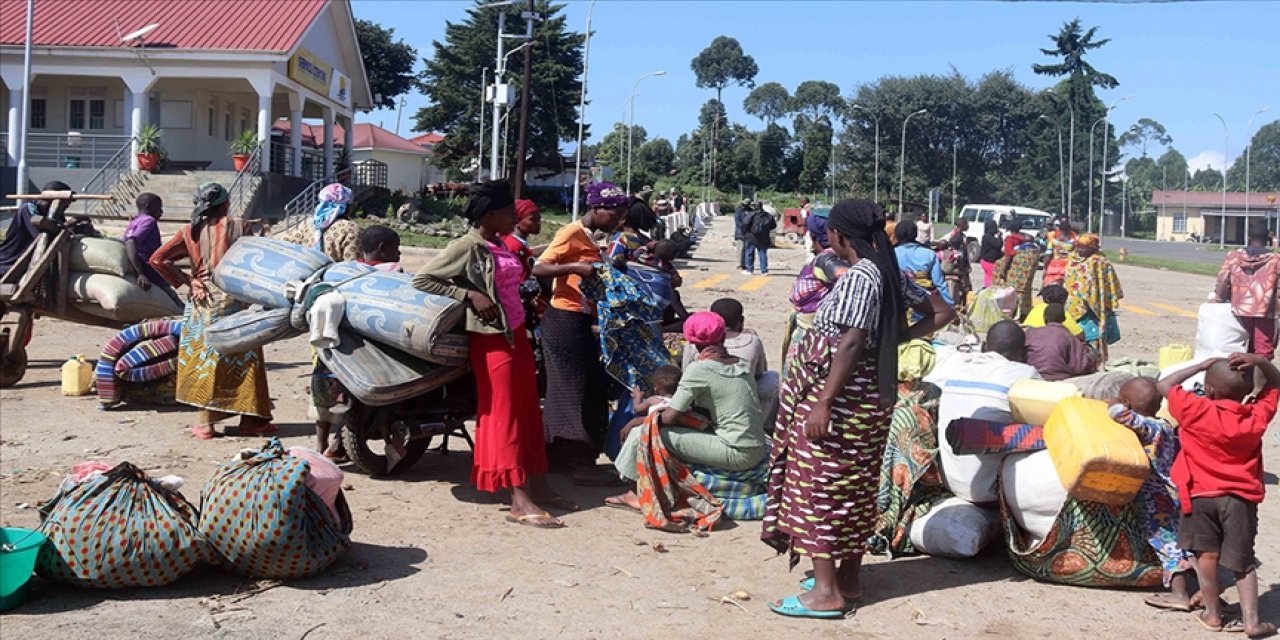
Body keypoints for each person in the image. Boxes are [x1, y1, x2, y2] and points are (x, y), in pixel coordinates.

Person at [762, 199, 954, 619]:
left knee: (819, 487)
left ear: (839, 235)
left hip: (839, 398)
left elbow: (848, 341)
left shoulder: (859, 277)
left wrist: (824, 402)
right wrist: (890, 341)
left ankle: (826, 593)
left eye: (829, 232)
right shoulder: (889, 274)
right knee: (854, 487)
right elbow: (943, 311)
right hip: (870, 397)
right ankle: (848, 579)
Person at [414, 179, 570, 528]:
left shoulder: (500, 243)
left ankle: (539, 485)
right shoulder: (467, 246)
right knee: (504, 412)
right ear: (488, 215)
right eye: (506, 213)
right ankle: (518, 498)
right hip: (491, 341)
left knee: (528, 409)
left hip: (516, 336)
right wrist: (469, 296)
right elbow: (423, 279)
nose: (513, 219)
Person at [1159, 354, 1279, 637]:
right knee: (1243, 562)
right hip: (1240, 499)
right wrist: (1259, 361)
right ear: (1246, 392)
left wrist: (1200, 366)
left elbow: (1164, 384)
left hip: (1200, 495)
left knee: (1206, 557)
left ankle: (1213, 615)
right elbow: (1276, 382)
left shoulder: (1194, 409)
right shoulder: (1255, 415)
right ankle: (1252, 622)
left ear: (1209, 389)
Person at [607, 311, 768, 509]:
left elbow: (668, 417)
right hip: (755, 445)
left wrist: (634, 421)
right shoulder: (741, 364)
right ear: (723, 336)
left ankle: (635, 492)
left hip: (735, 450)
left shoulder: (699, 370)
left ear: (691, 341)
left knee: (643, 433)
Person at [149, 182, 273, 440]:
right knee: (245, 357)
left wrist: (187, 280)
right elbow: (260, 258)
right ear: (225, 204)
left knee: (204, 359)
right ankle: (251, 420)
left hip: (201, 300)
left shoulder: (189, 231)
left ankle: (206, 424)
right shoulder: (240, 225)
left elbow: (158, 259)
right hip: (235, 299)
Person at [531, 181, 627, 486]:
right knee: (576, 390)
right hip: (565, 320)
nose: (617, 221)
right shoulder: (571, 233)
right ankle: (580, 463)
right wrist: (575, 266)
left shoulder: (594, 237)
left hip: (581, 320)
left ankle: (559, 456)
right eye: (613, 215)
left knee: (583, 388)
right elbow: (539, 268)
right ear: (596, 209)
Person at [1106, 377, 1195, 614]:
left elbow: (1118, 414)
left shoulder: (1147, 426)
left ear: (1127, 402)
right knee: (1182, 542)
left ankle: (1180, 595)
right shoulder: (1165, 424)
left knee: (1168, 544)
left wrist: (1113, 403)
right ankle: (1204, 589)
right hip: (1170, 492)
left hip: (1154, 497)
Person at [927, 320, 1040, 504]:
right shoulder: (1025, 374)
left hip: (950, 483)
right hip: (989, 492)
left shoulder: (957, 371)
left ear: (985, 347)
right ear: (1025, 353)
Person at [1214, 221, 1280, 360]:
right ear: (1267, 239)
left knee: (1240, 348)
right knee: (1263, 353)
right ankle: (1259, 380)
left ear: (1248, 237)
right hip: (1265, 312)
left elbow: (1223, 280)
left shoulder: (1233, 256)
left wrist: (1220, 298)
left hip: (1238, 311)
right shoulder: (1275, 260)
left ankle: (1243, 379)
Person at [1064, 234, 1124, 356]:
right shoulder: (1072, 260)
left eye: (1083, 247)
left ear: (1093, 248)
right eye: (1078, 246)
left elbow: (1108, 283)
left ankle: (1096, 361)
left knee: (1094, 337)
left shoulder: (1100, 262)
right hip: (1073, 305)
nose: (1079, 250)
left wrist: (1103, 302)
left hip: (1094, 306)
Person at [0, 180, 75, 273]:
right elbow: (41, 236)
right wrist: (68, 224)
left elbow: (62, 231)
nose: (67, 206)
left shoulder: (57, 215)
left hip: (27, 264)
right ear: (53, 200)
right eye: (66, 202)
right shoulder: (28, 209)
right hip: (9, 263)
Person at [123, 193, 181, 307]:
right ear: (148, 207)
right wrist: (141, 274)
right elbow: (131, 242)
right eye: (159, 208)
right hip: (149, 270)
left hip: (141, 266)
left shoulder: (135, 221)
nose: (161, 212)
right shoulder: (149, 221)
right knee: (174, 304)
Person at [277, 183, 359, 262]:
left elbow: (282, 244)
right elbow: (354, 267)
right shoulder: (351, 229)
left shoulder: (307, 224)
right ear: (348, 206)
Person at [1025, 303, 1098, 381]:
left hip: (1033, 378)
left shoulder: (1031, 334)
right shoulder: (1069, 337)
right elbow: (1080, 366)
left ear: (1045, 318)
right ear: (1064, 318)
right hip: (1060, 380)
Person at [894, 220, 953, 306]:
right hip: (925, 303)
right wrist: (950, 305)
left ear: (897, 235)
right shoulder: (929, 254)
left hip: (899, 303)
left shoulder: (891, 254)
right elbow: (940, 284)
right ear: (916, 234)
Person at [995, 225, 1044, 321]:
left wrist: (1003, 270)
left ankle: (1012, 313)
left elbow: (1009, 255)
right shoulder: (1033, 246)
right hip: (1027, 275)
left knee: (1012, 292)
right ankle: (1024, 313)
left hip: (1016, 274)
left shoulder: (1014, 244)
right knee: (1025, 291)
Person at [503, 199, 542, 279]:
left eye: (539, 219)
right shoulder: (514, 246)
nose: (538, 223)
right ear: (517, 221)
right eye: (532, 219)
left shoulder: (519, 242)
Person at [937, 232, 972, 314]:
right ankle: (960, 309)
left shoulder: (943, 253)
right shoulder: (960, 253)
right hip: (957, 277)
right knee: (963, 292)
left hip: (945, 277)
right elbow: (964, 266)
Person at [742, 202, 775, 276]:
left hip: (751, 237)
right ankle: (764, 271)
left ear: (754, 207)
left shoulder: (751, 214)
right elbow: (773, 225)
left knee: (749, 253)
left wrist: (745, 233)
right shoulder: (768, 215)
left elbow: (744, 223)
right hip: (764, 237)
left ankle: (749, 270)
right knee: (762, 253)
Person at [1043, 218, 1078, 287]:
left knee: (1050, 286)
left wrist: (1045, 267)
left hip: (1054, 265)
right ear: (1069, 230)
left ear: (1059, 229)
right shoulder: (1074, 242)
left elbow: (1048, 255)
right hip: (1068, 266)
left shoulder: (1053, 241)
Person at [979, 219, 1003, 288]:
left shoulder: (987, 237)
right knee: (992, 280)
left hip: (985, 261)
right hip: (989, 262)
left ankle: (986, 288)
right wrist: (1000, 237)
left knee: (988, 278)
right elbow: (998, 245)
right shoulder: (988, 237)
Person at [733, 198, 752, 270]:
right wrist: (744, 228)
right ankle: (740, 264)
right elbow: (738, 222)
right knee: (741, 249)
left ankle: (746, 264)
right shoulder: (738, 211)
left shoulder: (751, 211)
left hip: (749, 233)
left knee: (747, 249)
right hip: (740, 233)